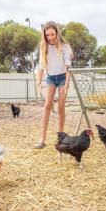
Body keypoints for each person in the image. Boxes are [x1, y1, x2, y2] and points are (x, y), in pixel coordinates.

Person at [34, 21, 73, 149]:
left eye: (52, 34)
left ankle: (61, 139)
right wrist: (39, 82)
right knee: (47, 106)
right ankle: (42, 139)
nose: (50, 37)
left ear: (57, 32)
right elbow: (40, 66)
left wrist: (66, 85)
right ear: (44, 35)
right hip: (50, 77)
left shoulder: (65, 46)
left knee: (61, 106)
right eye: (47, 35)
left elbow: (68, 68)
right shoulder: (43, 47)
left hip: (63, 77)